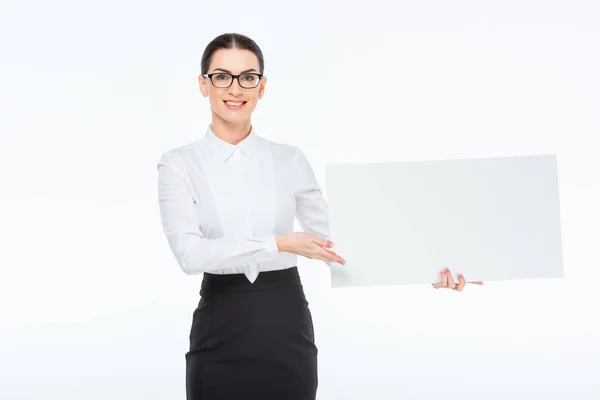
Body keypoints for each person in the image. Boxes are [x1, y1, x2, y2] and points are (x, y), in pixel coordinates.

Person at [157, 32, 483, 400]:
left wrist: (431, 270)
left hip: (286, 322)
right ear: (204, 84)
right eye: (222, 76)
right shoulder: (179, 164)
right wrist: (278, 243)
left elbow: (338, 243)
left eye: (248, 77)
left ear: (262, 87)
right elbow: (190, 255)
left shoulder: (289, 159)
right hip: (220, 322)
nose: (236, 88)